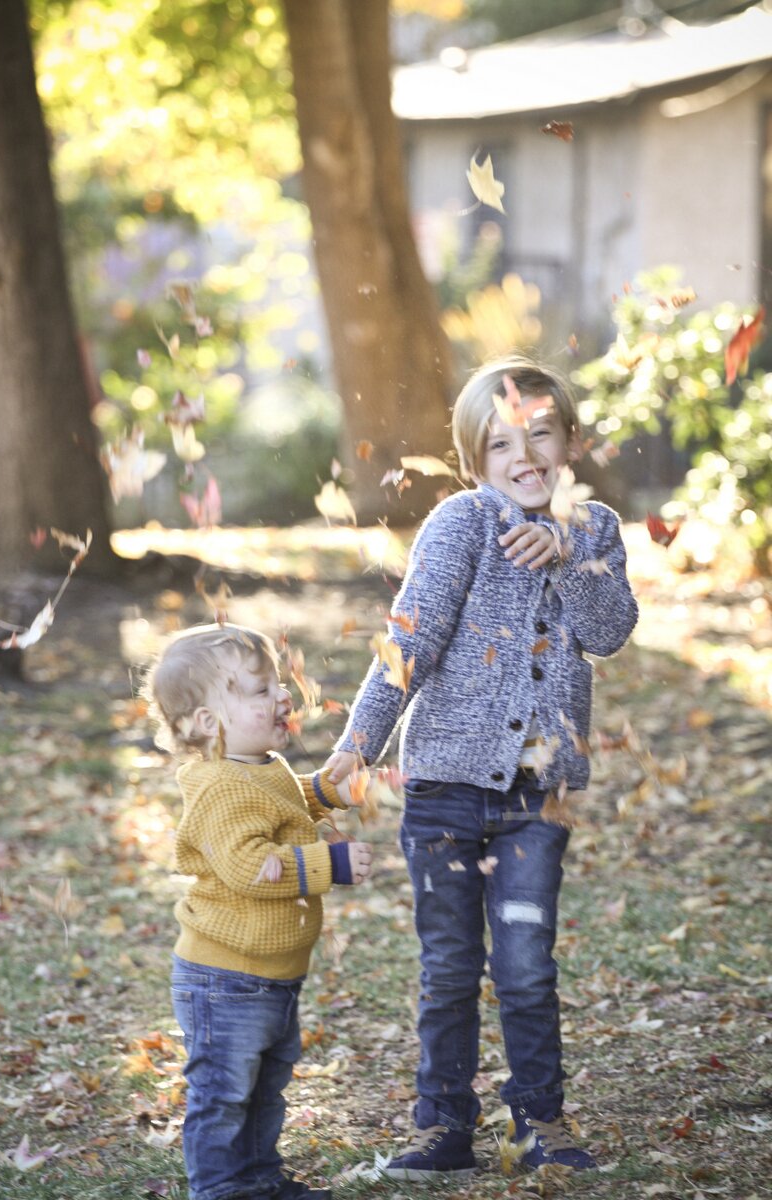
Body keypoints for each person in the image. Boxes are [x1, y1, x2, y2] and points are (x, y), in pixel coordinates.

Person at [325, 354, 638, 1179]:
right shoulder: (461, 525)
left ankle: (542, 1118)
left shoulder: (596, 530)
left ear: (569, 442)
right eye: (501, 444)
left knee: (528, 965)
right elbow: (411, 644)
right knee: (450, 966)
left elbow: (608, 633)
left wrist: (568, 554)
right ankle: (442, 1127)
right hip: (443, 794)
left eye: (540, 434)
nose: (523, 455)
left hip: (541, 798)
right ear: (475, 463)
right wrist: (360, 745)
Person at [147, 623, 372, 1200]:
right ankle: (221, 1188)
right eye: (258, 689)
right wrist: (330, 865)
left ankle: (259, 1180)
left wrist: (321, 790)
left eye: (277, 683)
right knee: (224, 1092)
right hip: (226, 979)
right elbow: (249, 864)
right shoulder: (219, 785)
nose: (281, 696)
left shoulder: (256, 765)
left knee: (265, 1087)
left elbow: (279, 803)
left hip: (268, 976)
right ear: (205, 722)